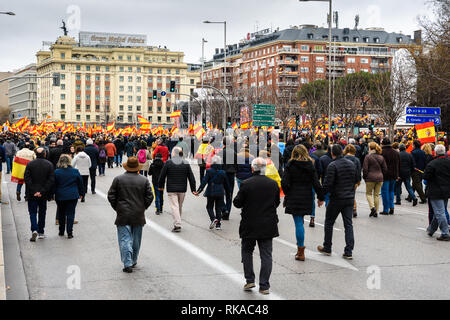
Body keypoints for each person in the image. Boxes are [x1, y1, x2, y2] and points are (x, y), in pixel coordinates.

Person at [233, 157, 280, 295]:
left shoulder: (246, 184)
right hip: (268, 223)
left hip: (250, 223)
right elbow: (276, 202)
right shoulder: (273, 184)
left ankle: (250, 280)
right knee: (266, 255)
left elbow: (237, 203)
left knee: (247, 251)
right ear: (265, 169)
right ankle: (264, 285)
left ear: (252, 168)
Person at [108, 157, 154, 272]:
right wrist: (143, 207)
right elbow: (150, 196)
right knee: (136, 239)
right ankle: (133, 260)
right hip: (138, 213)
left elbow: (111, 196)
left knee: (124, 239)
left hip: (123, 213)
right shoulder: (143, 180)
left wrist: (117, 208)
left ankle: (127, 263)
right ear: (137, 167)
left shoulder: (118, 179)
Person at [281, 145, 324, 261]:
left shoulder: (290, 165)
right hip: (307, 196)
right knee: (301, 223)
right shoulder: (310, 165)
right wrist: (320, 197)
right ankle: (300, 249)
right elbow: (316, 182)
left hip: (294, 196)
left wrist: (288, 192)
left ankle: (300, 250)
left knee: (298, 223)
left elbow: (284, 183)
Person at [317, 144, 359, 260]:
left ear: (332, 153)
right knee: (348, 224)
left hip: (336, 198)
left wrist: (321, 197)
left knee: (329, 222)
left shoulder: (333, 165)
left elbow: (327, 184)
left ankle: (327, 247)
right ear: (342, 152)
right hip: (349, 198)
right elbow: (356, 179)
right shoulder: (351, 164)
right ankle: (349, 251)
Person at [158, 147, 196, 232]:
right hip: (182, 189)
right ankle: (177, 222)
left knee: (174, 206)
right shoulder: (185, 163)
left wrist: (160, 186)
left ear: (174, 154)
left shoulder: (168, 162)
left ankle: (177, 224)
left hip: (171, 188)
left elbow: (162, 175)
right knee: (179, 206)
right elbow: (191, 177)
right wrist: (193, 189)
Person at [24, 148, 55, 242]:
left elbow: (27, 178)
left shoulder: (30, 164)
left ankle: (34, 229)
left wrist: (34, 190)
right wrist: (42, 191)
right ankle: (41, 231)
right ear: (45, 154)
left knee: (32, 212)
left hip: (32, 193)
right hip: (43, 193)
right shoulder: (49, 164)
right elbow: (51, 180)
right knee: (42, 212)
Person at [194, 156, 230, 230]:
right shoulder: (223, 172)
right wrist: (228, 193)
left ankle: (213, 219)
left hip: (211, 191)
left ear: (212, 162)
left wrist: (199, 191)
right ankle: (218, 225)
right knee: (218, 208)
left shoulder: (209, 171)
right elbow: (226, 184)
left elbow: (204, 182)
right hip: (220, 192)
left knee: (209, 207)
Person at [423, 144, 450, 241]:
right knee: (439, 212)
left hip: (435, 191)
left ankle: (445, 233)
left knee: (439, 212)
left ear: (436, 152)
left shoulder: (432, 163)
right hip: (447, 190)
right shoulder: (448, 162)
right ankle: (432, 229)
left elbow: (426, 177)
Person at [54, 154, 84, 238]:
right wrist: (81, 193)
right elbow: (80, 183)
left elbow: (54, 185)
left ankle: (61, 230)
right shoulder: (75, 171)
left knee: (61, 213)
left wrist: (52, 194)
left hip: (60, 195)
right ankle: (70, 232)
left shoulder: (57, 172)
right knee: (71, 213)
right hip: (72, 195)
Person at [363, 142, 387, 217]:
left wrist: (365, 177)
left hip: (370, 177)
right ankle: (376, 211)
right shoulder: (381, 157)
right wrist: (381, 174)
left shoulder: (367, 157)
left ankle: (372, 208)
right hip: (380, 178)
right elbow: (385, 169)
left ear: (370, 148)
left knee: (368, 194)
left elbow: (365, 169)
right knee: (376, 195)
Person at [217, 136, 238, 220]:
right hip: (231, 175)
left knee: (220, 193)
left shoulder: (221, 153)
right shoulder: (234, 153)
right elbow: (237, 164)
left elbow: (218, 164)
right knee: (229, 195)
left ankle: (224, 209)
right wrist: (235, 172)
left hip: (222, 174)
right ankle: (227, 213)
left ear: (223, 143)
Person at [380, 138, 400, 215]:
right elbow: (399, 164)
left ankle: (386, 209)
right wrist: (398, 175)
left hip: (385, 175)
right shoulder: (396, 152)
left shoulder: (382, 152)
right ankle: (391, 207)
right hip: (394, 174)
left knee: (384, 192)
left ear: (383, 144)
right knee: (391, 191)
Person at [343, 144, 362, 218]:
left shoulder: (343, 158)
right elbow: (359, 170)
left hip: (344, 179)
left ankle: (347, 209)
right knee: (352, 194)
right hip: (354, 180)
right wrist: (358, 180)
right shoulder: (356, 160)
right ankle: (354, 208)